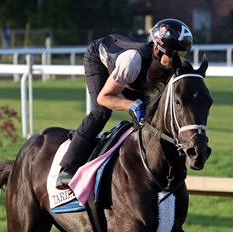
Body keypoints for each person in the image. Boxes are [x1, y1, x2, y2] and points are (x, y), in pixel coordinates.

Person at [56, 18, 193, 189]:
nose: (178, 60)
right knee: (102, 112)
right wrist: (131, 105)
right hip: (99, 58)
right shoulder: (132, 61)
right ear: (158, 48)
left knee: (147, 119)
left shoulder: (168, 64)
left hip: (130, 75)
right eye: (175, 54)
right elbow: (103, 98)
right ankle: (68, 168)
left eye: (182, 55)